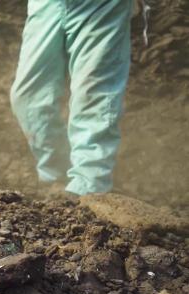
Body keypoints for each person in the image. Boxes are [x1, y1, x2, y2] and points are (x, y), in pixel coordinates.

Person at [10, 0, 133, 196]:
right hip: (48, 4)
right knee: (27, 97)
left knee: (92, 93)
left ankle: (89, 186)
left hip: (100, 6)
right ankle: (57, 174)